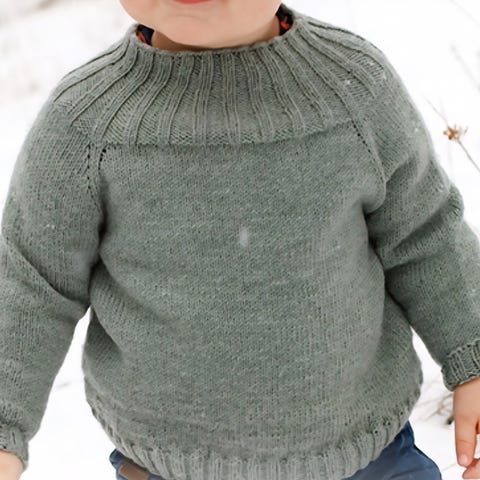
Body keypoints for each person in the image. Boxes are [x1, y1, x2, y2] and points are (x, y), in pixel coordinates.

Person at [1, 1, 480, 479]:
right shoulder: (86, 122)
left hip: (370, 457)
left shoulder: (354, 88)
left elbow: (426, 233)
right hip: (169, 464)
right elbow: (32, 283)